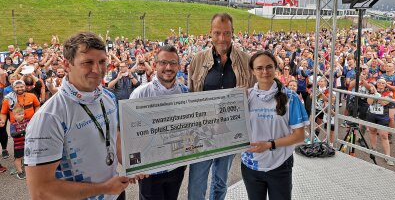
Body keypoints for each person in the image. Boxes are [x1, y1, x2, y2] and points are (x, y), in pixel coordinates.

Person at [24, 32, 143, 200]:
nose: (97, 69)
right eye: (87, 62)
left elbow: (114, 138)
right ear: (67, 65)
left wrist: (133, 165)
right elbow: (40, 191)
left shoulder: (107, 97)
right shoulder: (49, 117)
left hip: (115, 195)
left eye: (102, 61)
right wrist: (104, 188)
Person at [188, 13, 255, 200]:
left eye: (226, 33)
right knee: (196, 184)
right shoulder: (198, 60)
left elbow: (255, 96)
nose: (222, 39)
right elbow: (191, 95)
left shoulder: (245, 60)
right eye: (217, 33)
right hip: (202, 133)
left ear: (233, 33)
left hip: (230, 132)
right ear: (210, 33)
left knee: (220, 181)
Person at [241, 51, 309, 200]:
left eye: (269, 67)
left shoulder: (290, 97)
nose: (264, 72)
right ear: (252, 71)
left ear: (275, 68)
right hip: (251, 165)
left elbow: (299, 136)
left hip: (280, 165)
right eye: (259, 68)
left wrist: (269, 144)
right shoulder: (245, 96)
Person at [130, 45, 188, 200]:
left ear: (179, 66)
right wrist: (135, 165)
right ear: (155, 65)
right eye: (163, 63)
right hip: (150, 170)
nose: (168, 67)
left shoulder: (185, 92)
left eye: (173, 63)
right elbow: (130, 134)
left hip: (176, 166)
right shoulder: (140, 94)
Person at [9, 106, 30, 179]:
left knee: (29, 157)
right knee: (18, 158)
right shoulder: (13, 125)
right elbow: (13, 134)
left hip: (28, 144)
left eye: (22, 114)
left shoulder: (28, 121)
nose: (21, 115)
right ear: (14, 116)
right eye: (19, 114)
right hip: (18, 146)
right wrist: (23, 132)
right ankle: (20, 172)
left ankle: (30, 170)